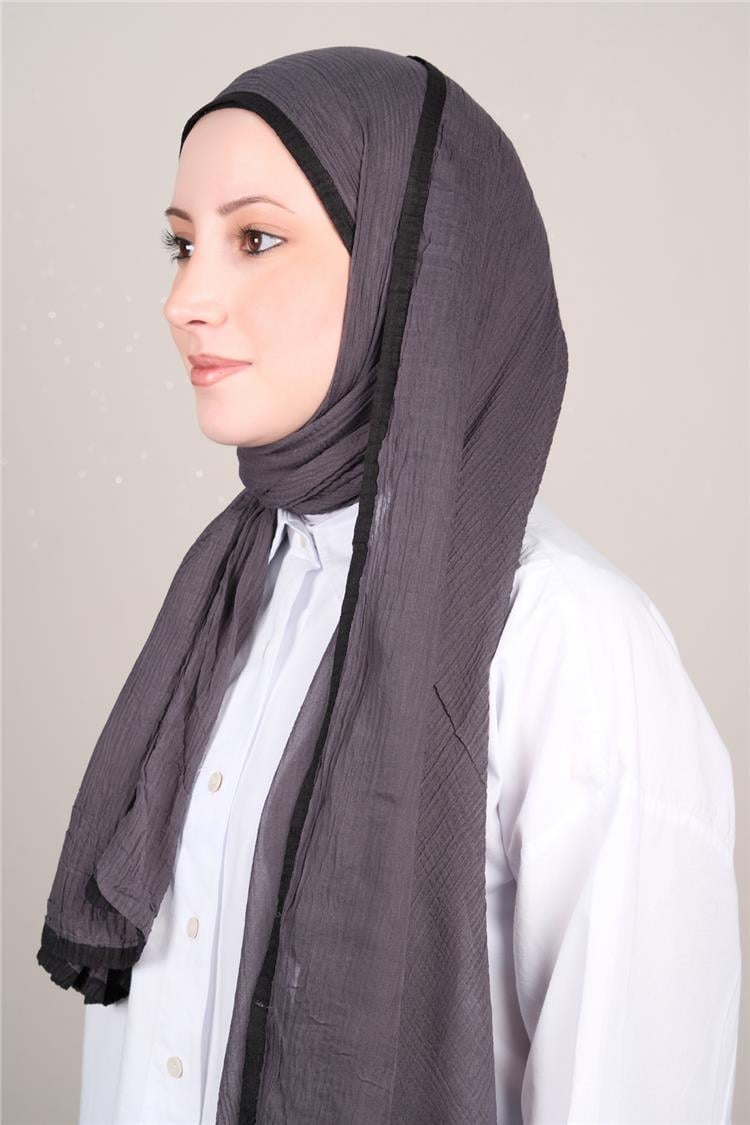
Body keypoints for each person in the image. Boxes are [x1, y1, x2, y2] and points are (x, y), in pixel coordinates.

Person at [38, 49, 739, 1125]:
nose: (185, 300)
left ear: (411, 273)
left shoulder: (570, 641)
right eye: (182, 244)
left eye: (255, 239)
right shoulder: (230, 599)